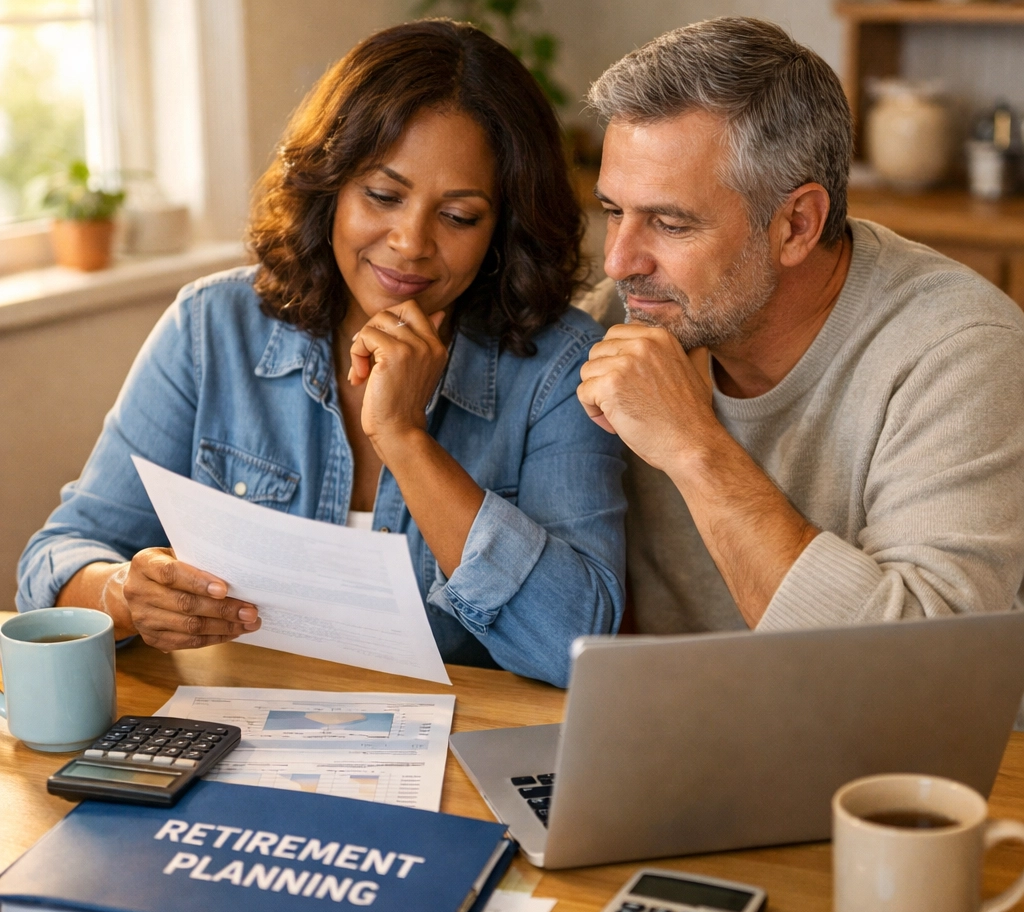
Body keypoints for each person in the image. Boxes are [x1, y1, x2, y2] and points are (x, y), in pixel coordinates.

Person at [17, 20, 626, 688]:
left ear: (503, 228)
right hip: (241, 733)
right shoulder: (211, 327)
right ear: (330, 184)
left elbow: (576, 644)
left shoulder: (559, 365)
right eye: (383, 195)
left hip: (460, 748)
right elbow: (57, 558)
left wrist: (405, 439)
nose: (410, 242)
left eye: (458, 216)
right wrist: (127, 597)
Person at [575, 18, 1024, 642]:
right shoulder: (617, 324)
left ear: (797, 225)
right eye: (613, 212)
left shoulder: (962, 356)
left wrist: (692, 448)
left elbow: (911, 676)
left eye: (670, 224)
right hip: (692, 730)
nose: (619, 261)